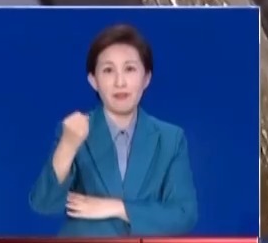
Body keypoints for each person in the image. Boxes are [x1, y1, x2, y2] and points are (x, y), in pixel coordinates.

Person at [27, 24, 199, 237]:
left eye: (130, 69)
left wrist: (118, 208)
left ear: (146, 78)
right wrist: (68, 146)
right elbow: (44, 204)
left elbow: (184, 214)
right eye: (108, 70)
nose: (120, 82)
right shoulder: (74, 130)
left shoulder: (170, 138)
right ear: (93, 80)